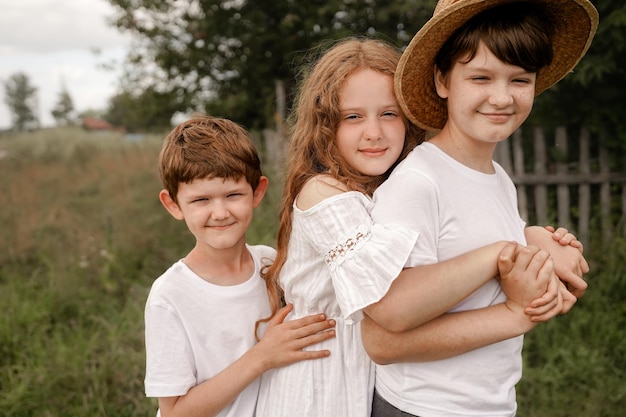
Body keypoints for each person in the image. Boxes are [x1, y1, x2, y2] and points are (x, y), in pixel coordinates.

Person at [255, 37, 567, 417]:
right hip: (321, 378)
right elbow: (387, 306)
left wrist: (533, 237)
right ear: (325, 125)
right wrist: (505, 255)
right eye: (353, 117)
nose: (374, 132)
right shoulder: (326, 194)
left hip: (365, 378)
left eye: (389, 114)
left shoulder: (385, 186)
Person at [362, 1, 599, 416]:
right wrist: (516, 308)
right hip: (424, 408)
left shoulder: (498, 178)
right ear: (442, 81)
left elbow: (480, 247)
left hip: (490, 405)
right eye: (481, 77)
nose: (502, 97)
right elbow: (385, 333)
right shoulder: (418, 183)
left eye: (520, 79)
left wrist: (538, 246)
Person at [143, 116, 338, 417]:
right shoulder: (170, 295)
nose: (220, 213)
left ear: (257, 192)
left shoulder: (271, 264)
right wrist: (262, 356)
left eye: (233, 195)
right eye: (201, 200)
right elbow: (174, 412)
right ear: (173, 205)